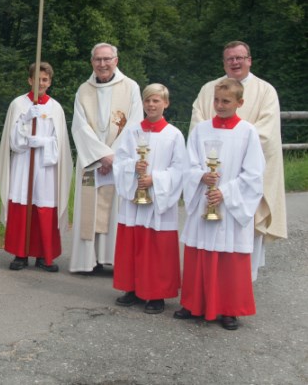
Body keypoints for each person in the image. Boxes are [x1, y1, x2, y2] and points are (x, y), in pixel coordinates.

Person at [189, 40, 285, 281]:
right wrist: (210, 163)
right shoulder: (209, 89)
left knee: (243, 232)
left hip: (242, 172)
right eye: (230, 58)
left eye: (240, 58)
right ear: (224, 62)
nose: (235, 62)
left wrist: (232, 149)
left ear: (249, 60)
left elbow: (266, 131)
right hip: (210, 175)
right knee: (207, 231)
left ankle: (240, 283)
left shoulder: (265, 91)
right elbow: (197, 125)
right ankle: (208, 283)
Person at [177, 78, 264, 330]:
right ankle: (193, 304)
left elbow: (254, 173)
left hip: (229, 204)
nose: (220, 105)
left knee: (230, 257)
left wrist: (224, 192)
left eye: (226, 101)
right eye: (216, 100)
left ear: (240, 102)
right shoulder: (201, 129)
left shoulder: (247, 131)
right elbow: (188, 164)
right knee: (198, 252)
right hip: (204, 197)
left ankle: (229, 309)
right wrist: (201, 176)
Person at [112, 84, 187, 314]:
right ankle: (132, 288)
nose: (151, 105)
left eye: (156, 101)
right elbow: (120, 160)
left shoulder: (173, 134)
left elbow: (180, 169)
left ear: (166, 103)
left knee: (157, 247)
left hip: (158, 199)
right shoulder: (132, 131)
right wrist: (132, 168)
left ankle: (156, 294)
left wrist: (154, 180)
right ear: (143, 103)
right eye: (148, 101)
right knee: (132, 243)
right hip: (135, 196)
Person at [69, 43, 143, 273]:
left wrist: (114, 157)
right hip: (92, 162)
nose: (102, 64)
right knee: (89, 210)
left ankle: (113, 259)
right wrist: (101, 156)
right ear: (92, 62)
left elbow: (134, 124)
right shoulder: (83, 90)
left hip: (119, 162)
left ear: (116, 61)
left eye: (107, 59)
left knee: (115, 212)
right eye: (98, 60)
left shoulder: (130, 87)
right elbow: (79, 127)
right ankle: (89, 261)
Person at [0, 62, 71, 273]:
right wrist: (24, 123)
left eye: (45, 79)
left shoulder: (55, 108)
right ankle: (20, 254)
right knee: (22, 204)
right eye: (37, 79)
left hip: (45, 166)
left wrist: (45, 143)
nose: (41, 83)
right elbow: (12, 141)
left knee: (43, 206)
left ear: (50, 82)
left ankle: (43, 255)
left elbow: (60, 142)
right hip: (24, 162)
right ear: (30, 80)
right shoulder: (18, 104)